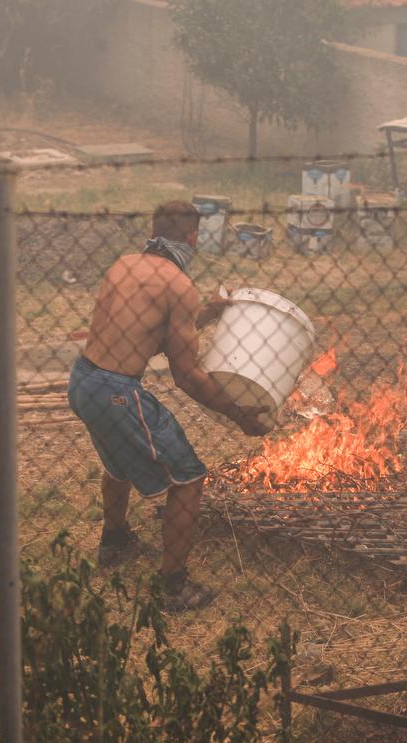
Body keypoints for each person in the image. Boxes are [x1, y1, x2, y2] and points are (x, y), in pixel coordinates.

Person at [68, 200, 270, 612]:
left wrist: (205, 314)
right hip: (118, 391)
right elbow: (186, 374)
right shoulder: (179, 285)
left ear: (154, 230)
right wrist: (237, 413)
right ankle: (173, 587)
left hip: (84, 379)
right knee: (189, 480)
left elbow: (147, 333)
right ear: (193, 238)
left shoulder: (123, 264)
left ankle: (115, 542)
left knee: (118, 464)